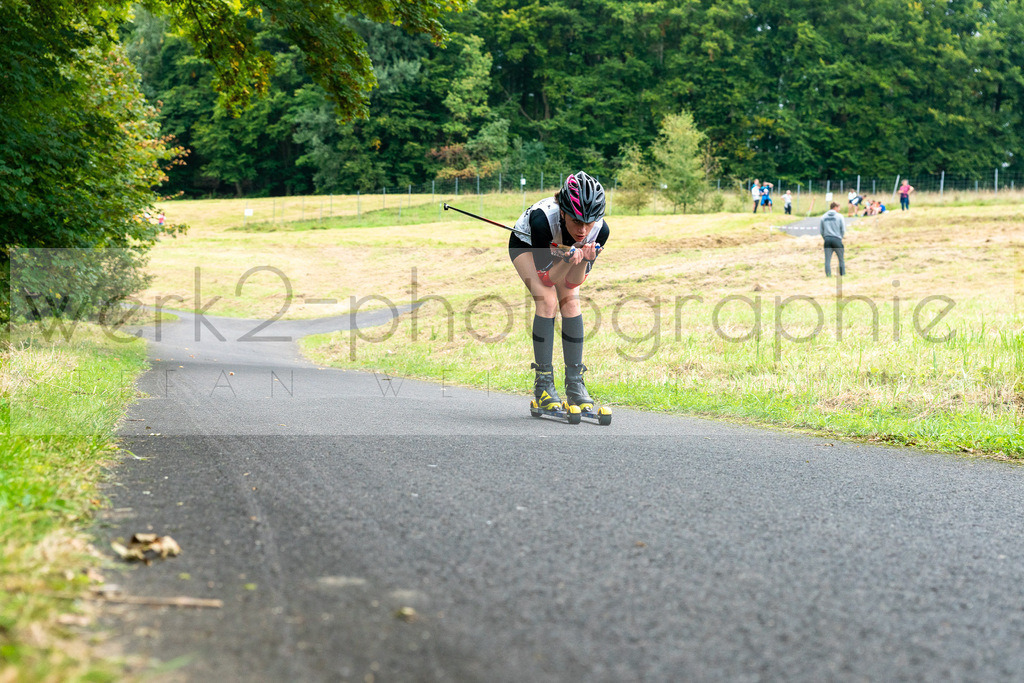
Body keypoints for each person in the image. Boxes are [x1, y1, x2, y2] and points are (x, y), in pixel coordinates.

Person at [509, 171, 610, 411]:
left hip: (565, 253)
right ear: (563, 212)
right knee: (547, 300)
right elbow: (547, 277)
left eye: (589, 222)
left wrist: (583, 260)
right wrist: (566, 260)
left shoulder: (600, 231)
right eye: (576, 221)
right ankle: (543, 384)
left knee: (571, 302)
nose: (583, 230)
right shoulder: (542, 221)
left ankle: (575, 384)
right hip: (527, 244)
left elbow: (573, 283)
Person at [819, 201, 846, 277]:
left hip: (827, 239)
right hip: (837, 239)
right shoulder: (840, 216)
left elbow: (821, 230)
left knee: (827, 259)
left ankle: (828, 275)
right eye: (839, 207)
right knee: (841, 258)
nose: (839, 209)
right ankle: (842, 274)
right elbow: (843, 229)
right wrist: (840, 237)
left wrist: (825, 237)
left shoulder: (823, 217)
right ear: (835, 207)